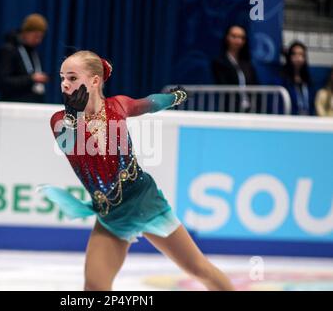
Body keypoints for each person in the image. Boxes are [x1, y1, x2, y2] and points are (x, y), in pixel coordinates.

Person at [41, 50, 234, 291]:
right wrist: (73, 115)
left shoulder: (117, 106)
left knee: (198, 268)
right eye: (62, 78)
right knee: (94, 288)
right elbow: (70, 147)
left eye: (71, 77)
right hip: (111, 215)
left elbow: (148, 103)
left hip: (145, 202)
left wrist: (176, 96)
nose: (64, 84)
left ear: (94, 80)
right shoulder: (59, 120)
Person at [0, 13, 49, 103]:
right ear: (26, 32)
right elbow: (2, 81)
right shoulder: (9, 50)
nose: (38, 41)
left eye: (41, 37)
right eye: (36, 36)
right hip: (12, 104)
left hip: (33, 103)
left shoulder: (33, 52)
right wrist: (31, 79)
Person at [212, 25, 258, 112]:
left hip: (249, 109)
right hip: (229, 109)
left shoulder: (247, 64)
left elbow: (255, 86)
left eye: (241, 38)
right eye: (234, 36)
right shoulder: (219, 62)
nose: (238, 40)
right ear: (227, 37)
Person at [280, 41, 315, 115]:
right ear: (289, 57)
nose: (298, 58)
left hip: (308, 120)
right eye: (294, 54)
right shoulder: (282, 80)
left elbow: (311, 104)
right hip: (289, 120)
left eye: (301, 55)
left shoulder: (308, 81)